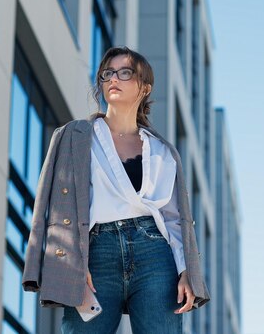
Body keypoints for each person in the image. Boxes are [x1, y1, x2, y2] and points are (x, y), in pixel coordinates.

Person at [22, 46, 210, 333]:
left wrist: (186, 270)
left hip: (155, 253)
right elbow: (53, 207)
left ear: (145, 87)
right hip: (95, 251)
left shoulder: (162, 151)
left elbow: (173, 219)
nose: (113, 79)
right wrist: (71, 257)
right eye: (108, 73)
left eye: (125, 73)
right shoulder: (73, 136)